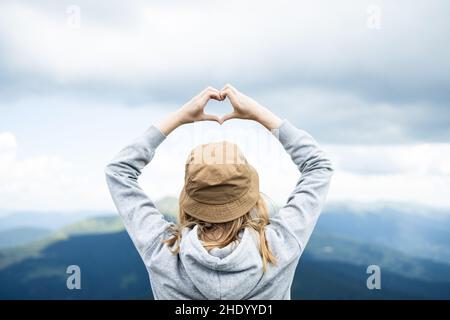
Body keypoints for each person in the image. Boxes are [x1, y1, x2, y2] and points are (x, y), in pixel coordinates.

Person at [105, 84, 334, 299]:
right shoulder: (278, 248)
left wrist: (180, 118)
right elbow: (319, 166)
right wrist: (258, 114)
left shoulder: (163, 252)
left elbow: (118, 171)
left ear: (189, 199)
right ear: (250, 196)